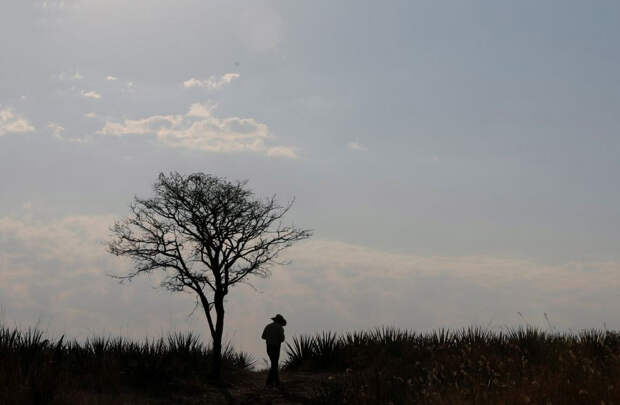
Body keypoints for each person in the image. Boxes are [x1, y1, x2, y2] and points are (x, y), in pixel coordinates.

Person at [262, 314, 286, 387]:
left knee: (274, 364)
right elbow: (282, 339)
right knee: (274, 364)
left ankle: (275, 381)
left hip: (269, 347)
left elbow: (263, 337)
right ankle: (270, 382)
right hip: (276, 347)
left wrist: (270, 338)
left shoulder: (268, 326)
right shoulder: (280, 328)